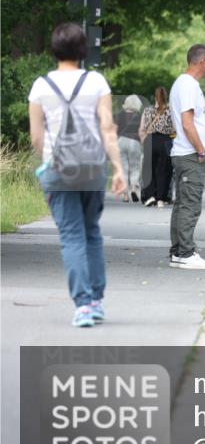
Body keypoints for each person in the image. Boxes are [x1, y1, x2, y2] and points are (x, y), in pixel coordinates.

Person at [28, 23, 127, 327]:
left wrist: (45, 169)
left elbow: (36, 137)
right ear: (83, 50)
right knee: (91, 232)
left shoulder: (41, 86)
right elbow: (107, 129)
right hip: (93, 168)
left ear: (53, 49)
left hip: (58, 170)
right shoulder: (97, 82)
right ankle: (96, 301)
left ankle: (82, 306)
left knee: (71, 236)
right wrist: (118, 169)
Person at [168, 44, 205, 270]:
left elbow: (192, 121)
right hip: (190, 155)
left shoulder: (184, 84)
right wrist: (200, 150)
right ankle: (186, 253)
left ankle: (179, 252)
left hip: (184, 153)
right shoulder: (188, 85)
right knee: (190, 204)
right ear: (202, 61)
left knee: (181, 204)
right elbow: (187, 124)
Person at [139, 86, 176, 207]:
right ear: (166, 96)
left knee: (148, 169)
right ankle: (161, 199)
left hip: (150, 140)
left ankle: (150, 196)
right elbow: (176, 128)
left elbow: (141, 129)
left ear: (155, 97)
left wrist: (144, 141)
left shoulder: (147, 110)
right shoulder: (171, 110)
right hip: (166, 141)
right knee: (164, 170)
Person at [115, 95, 144, 202]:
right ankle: (133, 188)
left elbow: (114, 130)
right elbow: (142, 130)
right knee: (135, 168)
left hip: (121, 141)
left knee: (123, 168)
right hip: (134, 142)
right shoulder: (139, 116)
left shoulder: (119, 115)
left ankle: (125, 195)